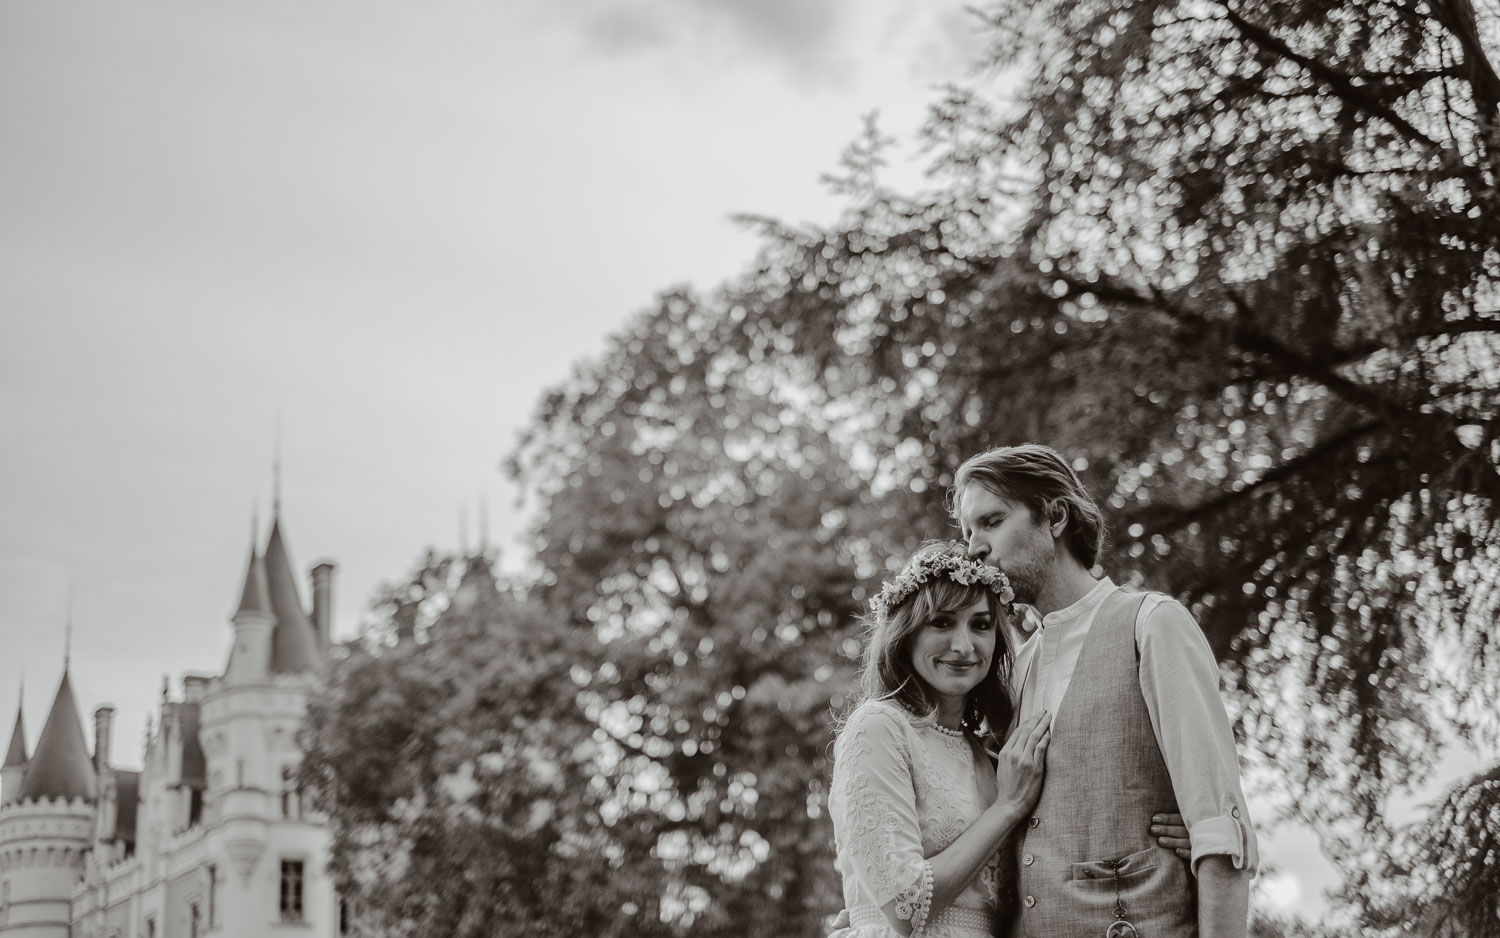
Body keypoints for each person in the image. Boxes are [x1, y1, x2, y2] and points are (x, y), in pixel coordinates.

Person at [954, 443, 1257, 938]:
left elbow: (1219, 831)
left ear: (1055, 517)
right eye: (968, 533)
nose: (974, 550)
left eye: (992, 522)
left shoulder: (1152, 625)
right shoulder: (1014, 671)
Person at [828, 541, 1191, 938]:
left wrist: (1177, 835)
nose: (964, 646)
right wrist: (1007, 806)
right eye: (942, 623)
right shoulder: (879, 726)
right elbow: (905, 906)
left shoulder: (988, 752)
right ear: (906, 633)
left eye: (980, 625)